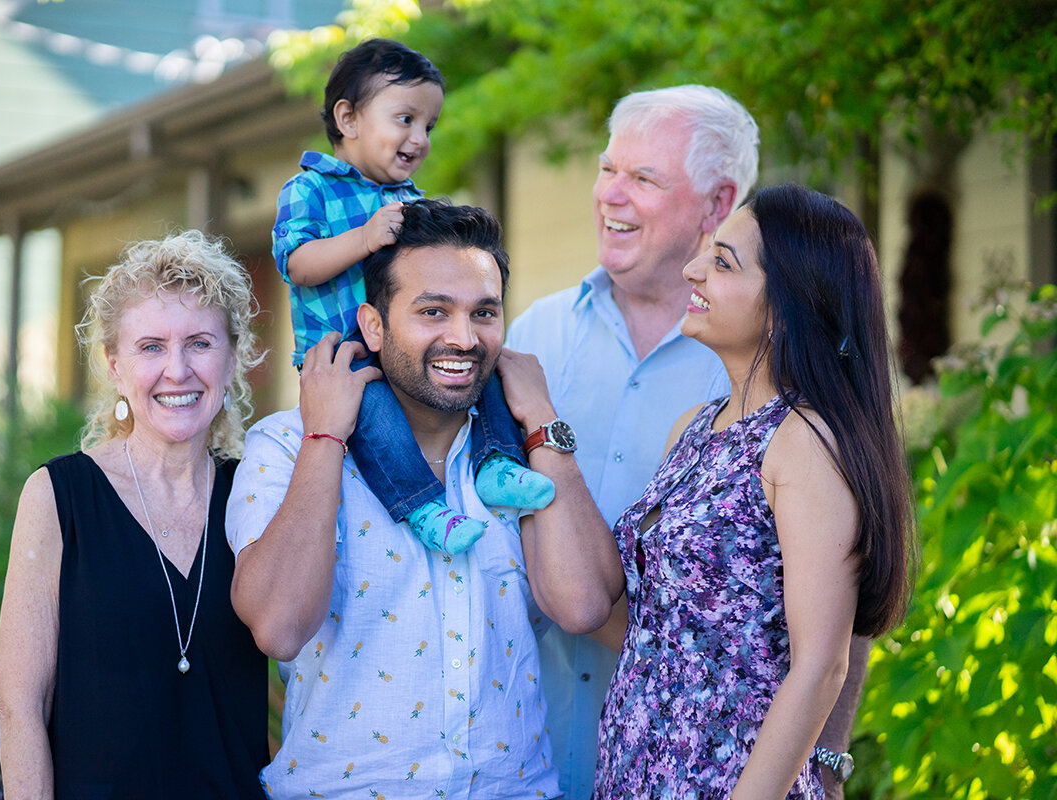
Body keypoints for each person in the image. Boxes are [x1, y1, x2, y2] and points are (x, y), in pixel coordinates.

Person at [507, 85, 867, 799]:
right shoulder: (535, 340)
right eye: (608, 169)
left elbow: (834, 635)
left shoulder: (800, 428)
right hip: (557, 754)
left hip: (723, 775)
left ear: (715, 201)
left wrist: (822, 767)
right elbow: (667, 614)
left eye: (643, 178)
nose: (612, 194)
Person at [227, 199, 624, 798]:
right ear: (374, 325)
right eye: (433, 311)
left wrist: (543, 418)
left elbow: (584, 606)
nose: (463, 338)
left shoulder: (521, 451)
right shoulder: (287, 444)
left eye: (483, 313)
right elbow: (279, 628)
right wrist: (324, 438)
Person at [593, 183, 916, 798]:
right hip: (635, 771)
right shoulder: (693, 428)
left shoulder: (804, 442)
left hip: (731, 781)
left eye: (722, 262)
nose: (693, 270)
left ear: (788, 305)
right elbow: (658, 621)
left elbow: (823, 665)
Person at [0, 231, 271, 799]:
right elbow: (19, 707)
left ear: (232, 355)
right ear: (115, 366)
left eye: (199, 342)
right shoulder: (57, 497)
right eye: (151, 347)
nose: (177, 370)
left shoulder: (259, 493)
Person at [273, 37, 551, 557]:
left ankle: (497, 465)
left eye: (428, 126)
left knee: (479, 366)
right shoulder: (309, 189)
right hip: (344, 354)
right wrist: (363, 238)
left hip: (405, 340)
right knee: (375, 422)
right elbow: (296, 264)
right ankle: (423, 507)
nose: (419, 138)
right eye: (405, 119)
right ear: (348, 118)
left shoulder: (411, 198)